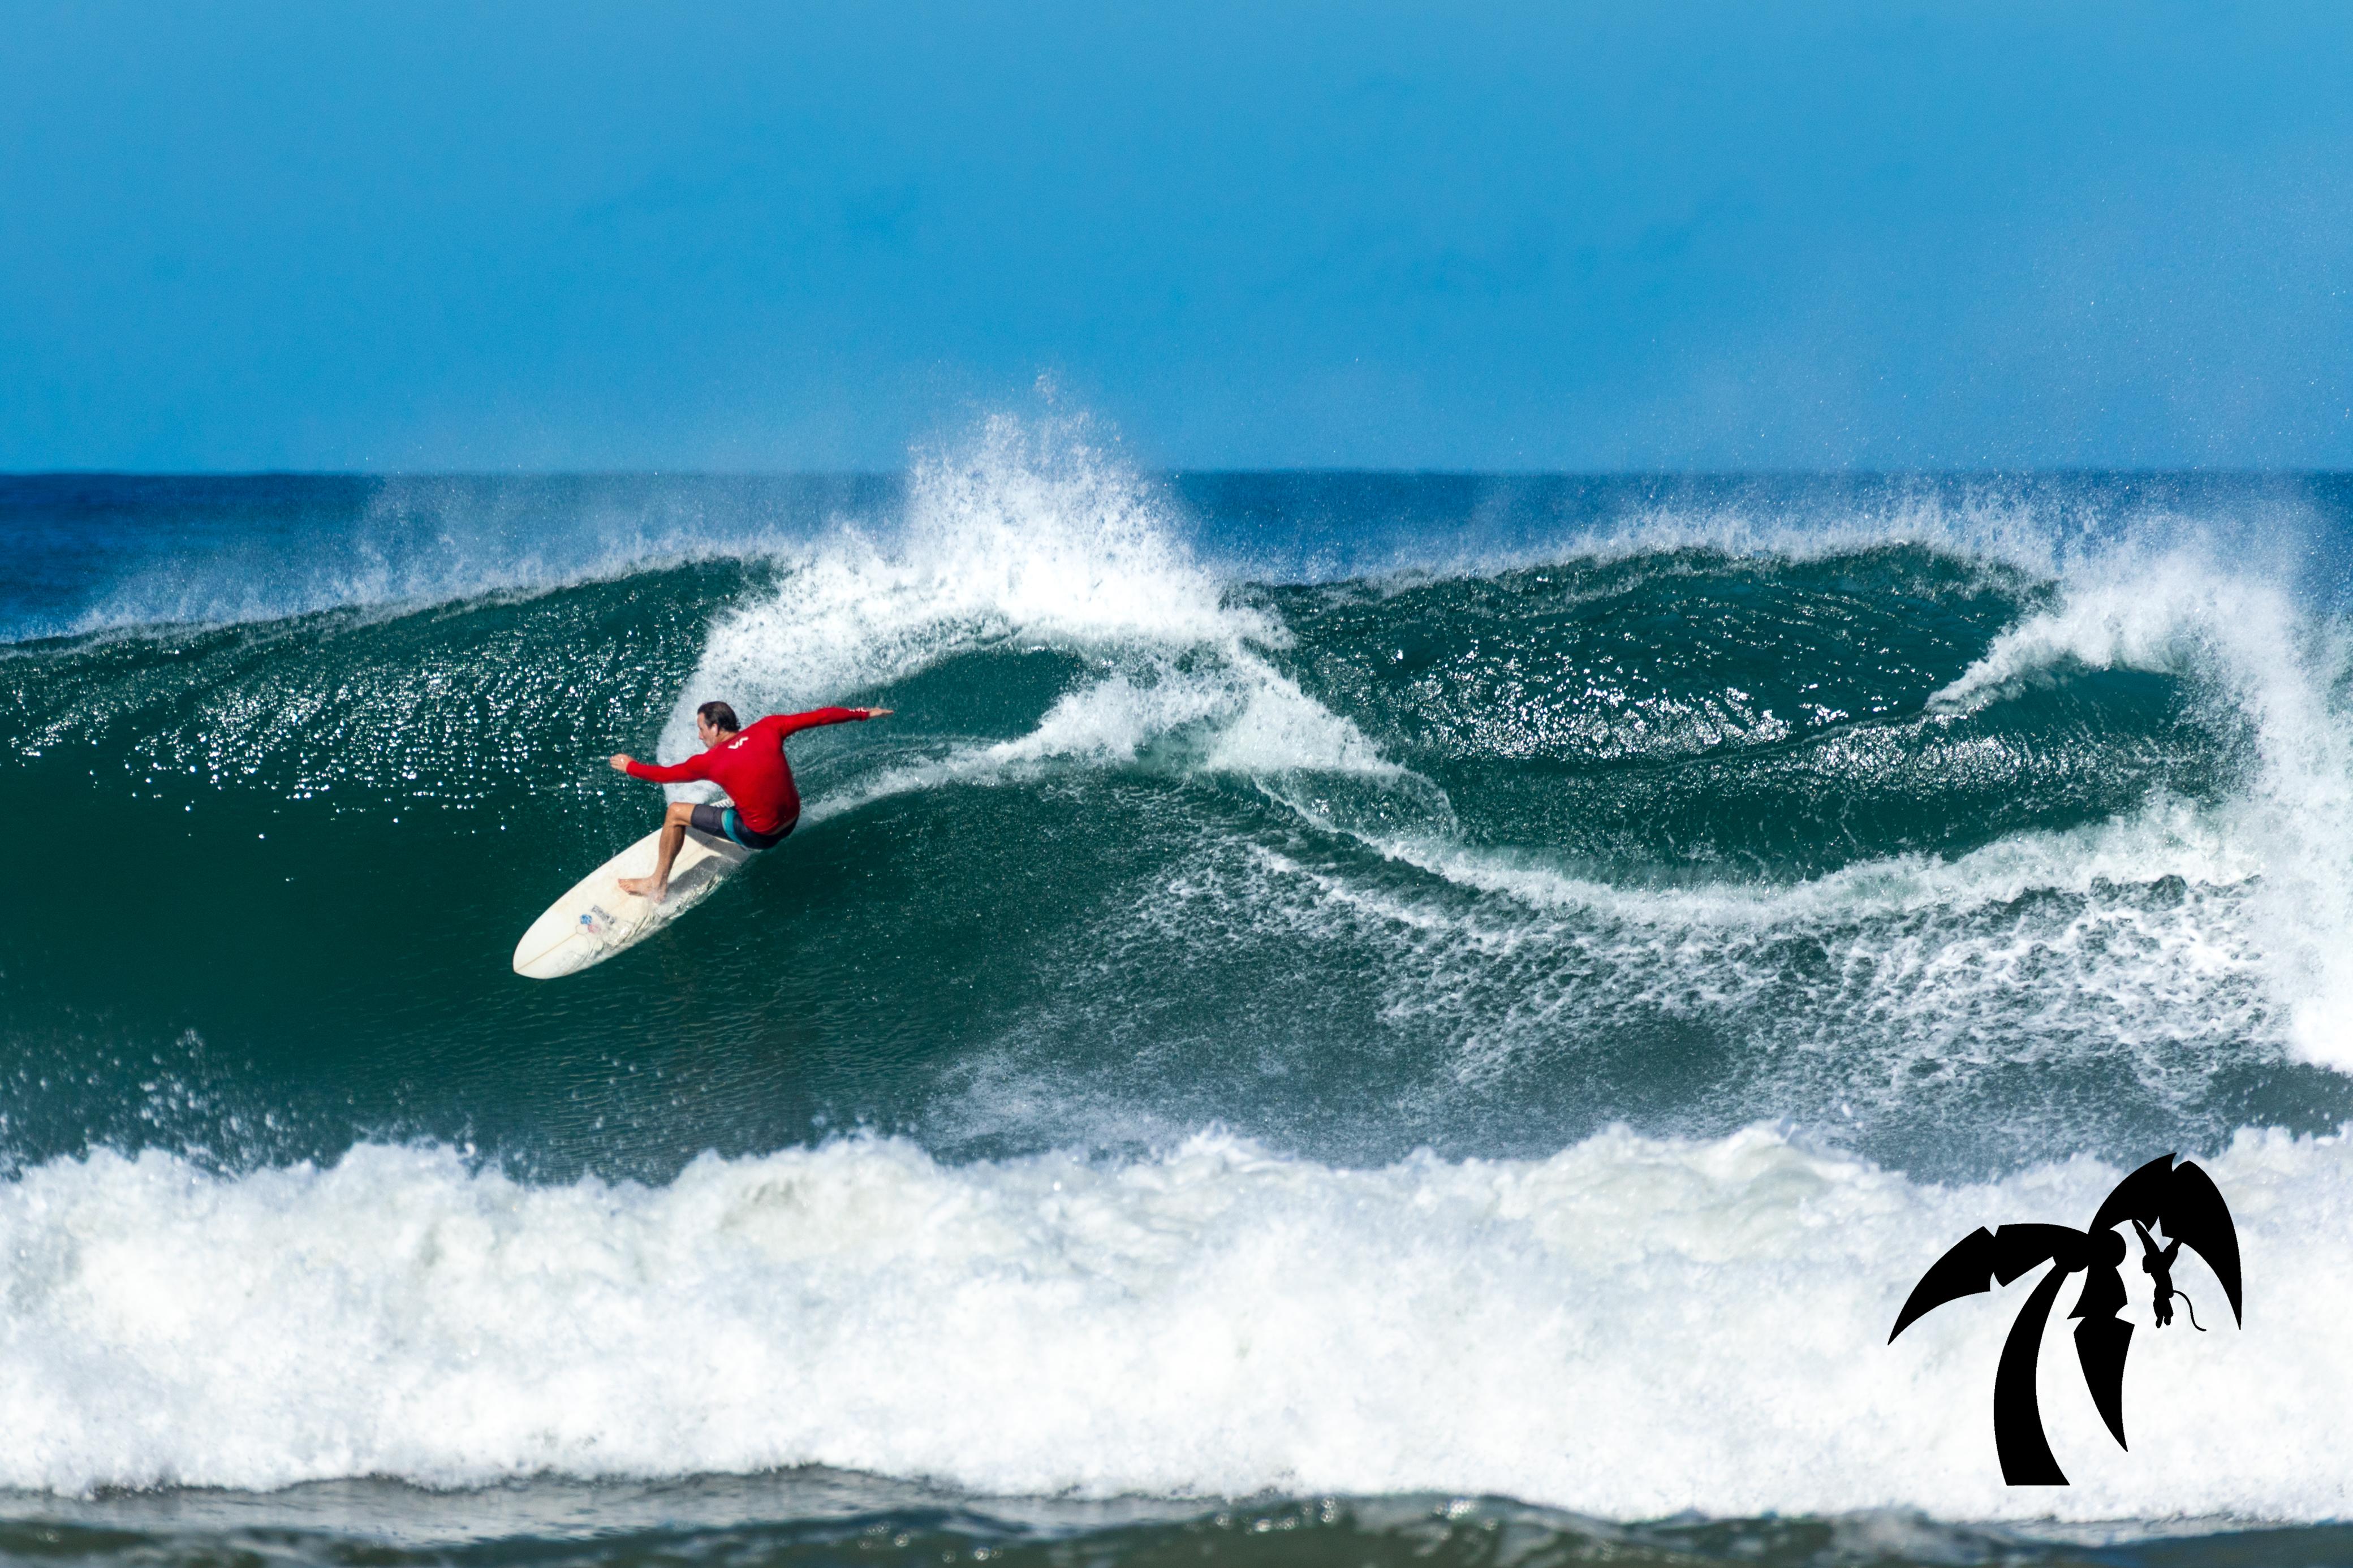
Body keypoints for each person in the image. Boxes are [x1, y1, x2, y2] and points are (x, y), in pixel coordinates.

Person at [607, 699, 890, 903]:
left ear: (716, 728)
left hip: (762, 835)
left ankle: (656, 884)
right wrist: (863, 713)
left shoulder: (711, 762)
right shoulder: (770, 727)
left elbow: (665, 776)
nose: (700, 735)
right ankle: (741, 815)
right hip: (792, 819)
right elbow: (820, 716)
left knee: (675, 813)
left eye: (702, 729)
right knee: (746, 784)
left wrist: (631, 766)